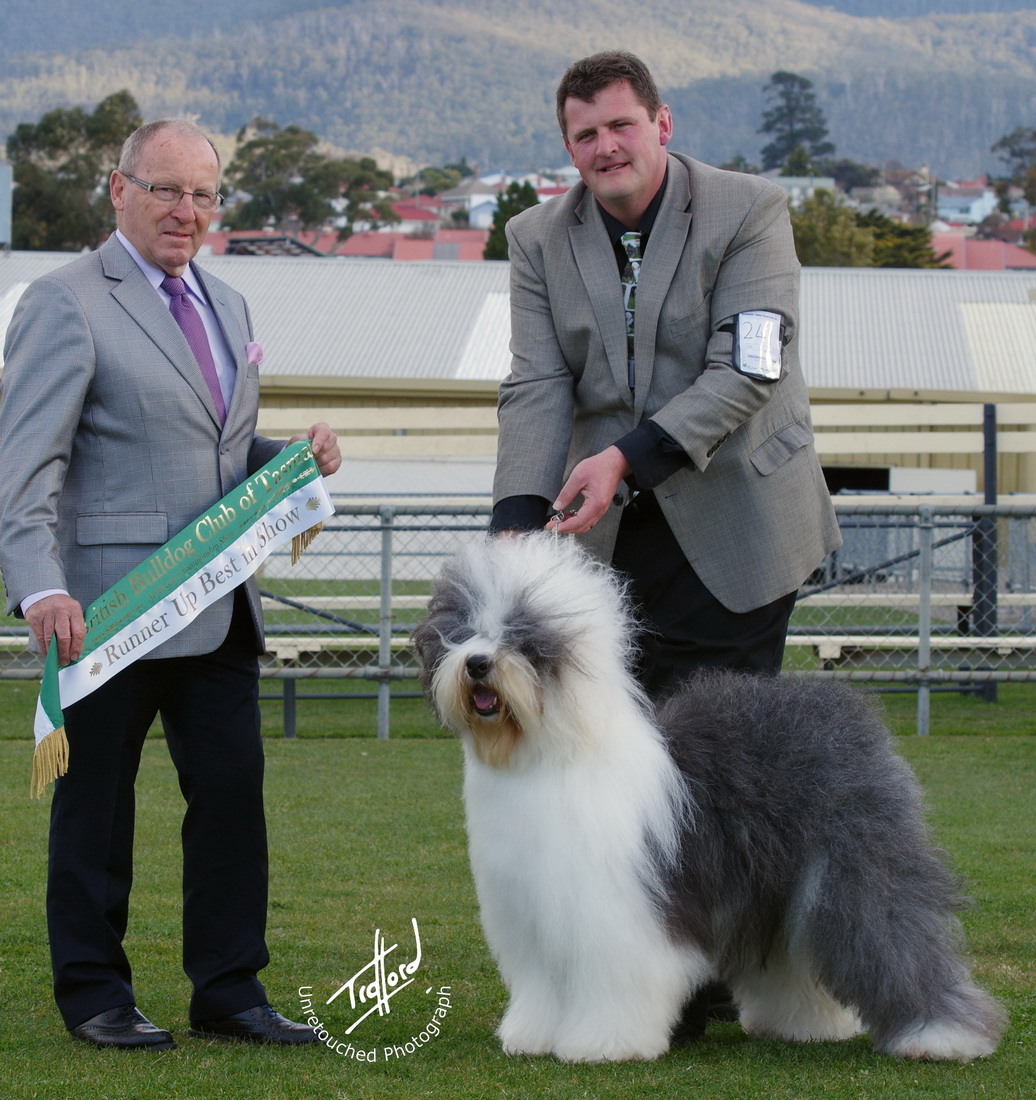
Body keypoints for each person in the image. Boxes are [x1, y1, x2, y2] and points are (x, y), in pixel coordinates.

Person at [489, 52, 841, 1035]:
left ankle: (729, 967)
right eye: (582, 135)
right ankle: (648, 961)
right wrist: (515, 529)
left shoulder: (749, 211)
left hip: (740, 524)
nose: (603, 147)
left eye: (618, 125)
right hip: (609, 548)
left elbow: (749, 366)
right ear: (567, 148)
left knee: (720, 771)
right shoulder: (534, 237)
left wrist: (626, 457)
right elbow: (534, 384)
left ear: (660, 123)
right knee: (618, 773)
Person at [0, 119, 342, 1051]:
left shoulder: (228, 304)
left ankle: (230, 991)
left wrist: (292, 462)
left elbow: (216, 451)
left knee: (233, 801)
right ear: (118, 190)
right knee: (97, 814)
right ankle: (94, 994)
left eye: (203, 194)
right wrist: (39, 591)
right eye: (165, 190)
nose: (185, 211)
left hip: (220, 610)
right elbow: (23, 467)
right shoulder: (63, 303)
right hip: (105, 611)